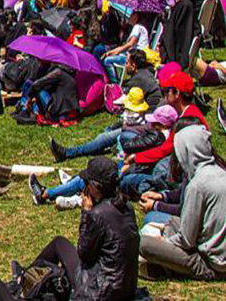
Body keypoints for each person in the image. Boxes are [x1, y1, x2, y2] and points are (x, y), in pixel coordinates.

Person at [27, 157, 139, 300]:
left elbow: (84, 254)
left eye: (86, 183)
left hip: (100, 292)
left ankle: (25, 278)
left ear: (95, 187)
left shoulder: (98, 214)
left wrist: (86, 213)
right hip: (126, 289)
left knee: (58, 244)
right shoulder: (127, 207)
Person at [138, 125, 226, 280]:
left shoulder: (197, 185)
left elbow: (186, 241)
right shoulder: (220, 172)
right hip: (216, 247)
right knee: (172, 222)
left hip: (212, 263)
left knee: (143, 243)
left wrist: (164, 242)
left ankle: (167, 268)